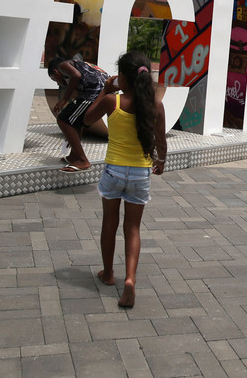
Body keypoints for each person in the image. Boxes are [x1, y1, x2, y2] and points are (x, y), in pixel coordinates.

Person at [83, 51, 166, 308]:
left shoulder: (112, 101)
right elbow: (161, 141)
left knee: (110, 222)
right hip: (140, 173)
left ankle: (108, 274)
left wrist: (104, 90)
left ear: (123, 78)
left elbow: (86, 119)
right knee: (132, 228)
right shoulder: (155, 105)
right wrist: (160, 161)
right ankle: (130, 279)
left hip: (113, 171)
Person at [47, 56, 110, 172]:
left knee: (63, 119)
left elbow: (76, 75)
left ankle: (82, 160)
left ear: (56, 72)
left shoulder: (62, 65)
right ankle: (73, 156)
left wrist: (64, 100)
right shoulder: (80, 64)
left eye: (54, 79)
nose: (58, 83)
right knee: (76, 121)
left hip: (95, 92)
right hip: (105, 90)